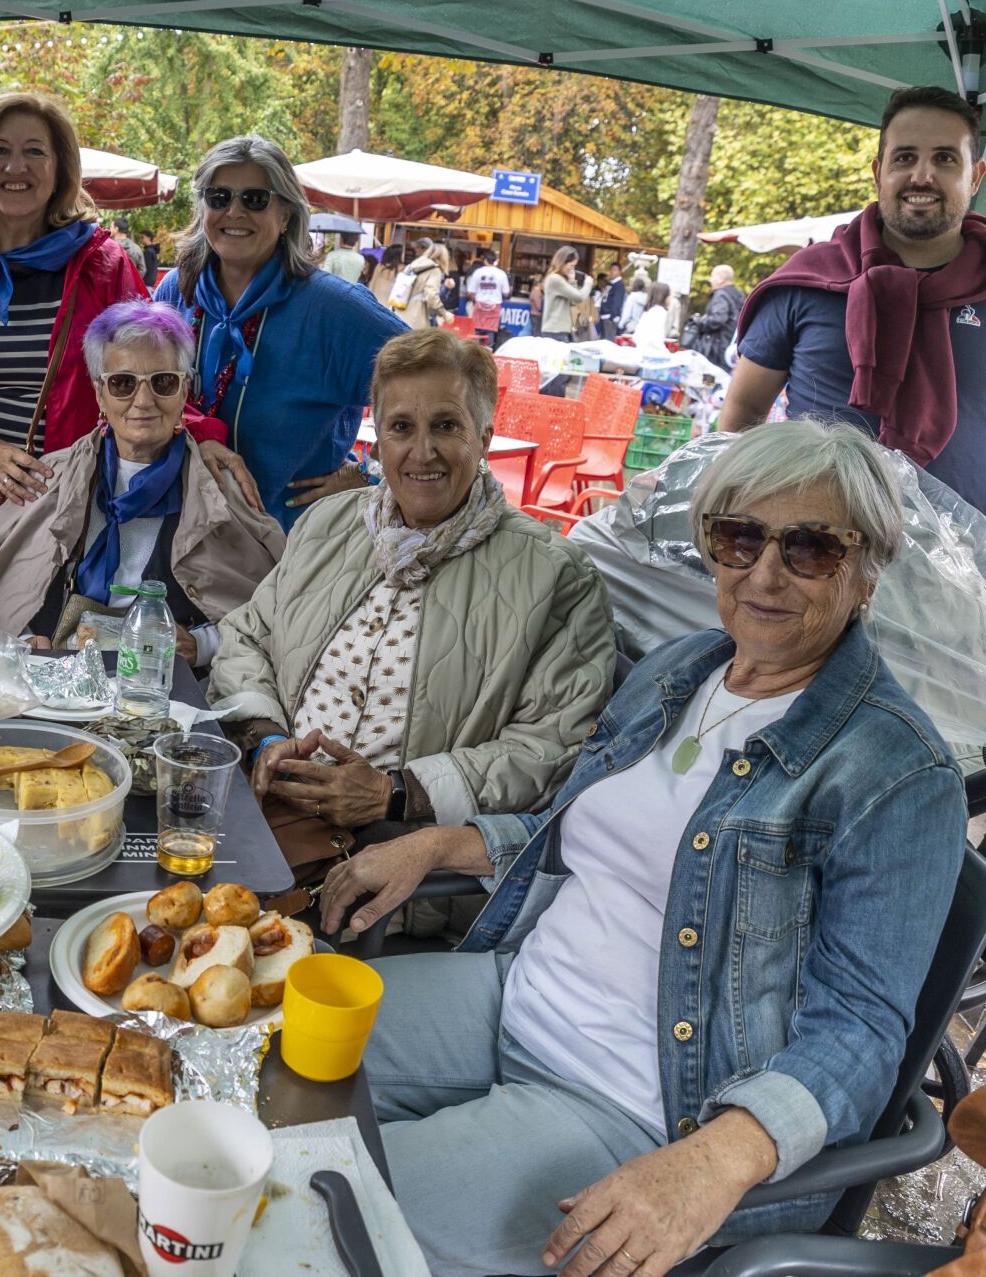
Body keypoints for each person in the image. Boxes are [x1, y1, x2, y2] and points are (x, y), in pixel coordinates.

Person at [328, 420, 965, 1276]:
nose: (762, 573)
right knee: (257, 1060)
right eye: (739, 537)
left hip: (645, 1106)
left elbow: (860, 1031)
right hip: (515, 991)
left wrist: (716, 1159)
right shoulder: (686, 666)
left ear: (867, 570)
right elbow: (593, 837)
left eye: (810, 547)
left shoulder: (897, 772)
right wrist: (441, 843)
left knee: (325, 1213)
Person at [209, 329, 613, 874]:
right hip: (267, 810)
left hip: (396, 855)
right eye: (401, 427)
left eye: (446, 426)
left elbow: (552, 746)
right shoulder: (330, 523)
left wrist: (394, 794)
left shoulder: (556, 575)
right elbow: (248, 636)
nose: (423, 452)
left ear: (486, 436)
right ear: (378, 441)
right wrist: (266, 740)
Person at [0, 92, 247, 580]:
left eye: (34, 151)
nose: (15, 166)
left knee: (46, 641)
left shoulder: (103, 267)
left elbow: (146, 371)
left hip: (65, 504)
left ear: (60, 168)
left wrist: (202, 436)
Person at [0, 299, 283, 665]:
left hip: (162, 686)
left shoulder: (219, 491)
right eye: (123, 383)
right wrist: (22, 641)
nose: (143, 401)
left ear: (183, 392)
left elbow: (271, 612)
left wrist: (202, 646)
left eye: (163, 382)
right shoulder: (52, 478)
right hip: (53, 675)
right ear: (99, 394)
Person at [722, 91, 986, 514]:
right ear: (878, 172)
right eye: (904, 158)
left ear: (975, 177)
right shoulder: (807, 279)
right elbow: (744, 411)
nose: (922, 176)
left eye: (945, 159)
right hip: (814, 555)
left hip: (972, 566)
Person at [154, 135, 408, 531]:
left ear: (287, 213)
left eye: (255, 199)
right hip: (177, 533)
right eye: (218, 197)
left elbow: (445, 385)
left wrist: (368, 471)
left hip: (291, 549)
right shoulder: (176, 290)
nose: (234, 212)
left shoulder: (335, 308)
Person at [540, 245, 593, 342]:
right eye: (571, 265)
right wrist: (588, 284)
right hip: (555, 330)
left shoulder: (557, 279)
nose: (572, 269)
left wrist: (572, 281)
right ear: (562, 263)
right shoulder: (555, 279)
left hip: (558, 330)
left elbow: (573, 302)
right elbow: (579, 297)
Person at [399, 239, 450, 330]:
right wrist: (444, 313)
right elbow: (431, 295)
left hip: (400, 310)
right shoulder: (434, 270)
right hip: (417, 315)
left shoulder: (413, 265)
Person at [468, 253, 511, 345]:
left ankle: (475, 351)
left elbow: (471, 292)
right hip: (494, 307)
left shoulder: (478, 272)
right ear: (495, 261)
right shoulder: (501, 274)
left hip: (479, 306)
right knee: (490, 332)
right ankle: (488, 351)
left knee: (477, 331)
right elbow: (506, 292)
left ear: (485, 260)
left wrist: (475, 302)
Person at [634, 281, 673, 350]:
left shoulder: (649, 311)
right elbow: (655, 339)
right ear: (663, 297)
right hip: (652, 353)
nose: (671, 298)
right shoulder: (659, 312)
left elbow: (636, 336)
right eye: (669, 295)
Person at [597, 261, 627, 339]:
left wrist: (612, 317)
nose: (612, 272)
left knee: (608, 341)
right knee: (603, 340)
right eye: (611, 269)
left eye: (615, 270)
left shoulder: (619, 285)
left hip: (610, 317)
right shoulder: (610, 283)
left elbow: (617, 301)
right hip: (604, 315)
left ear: (619, 272)